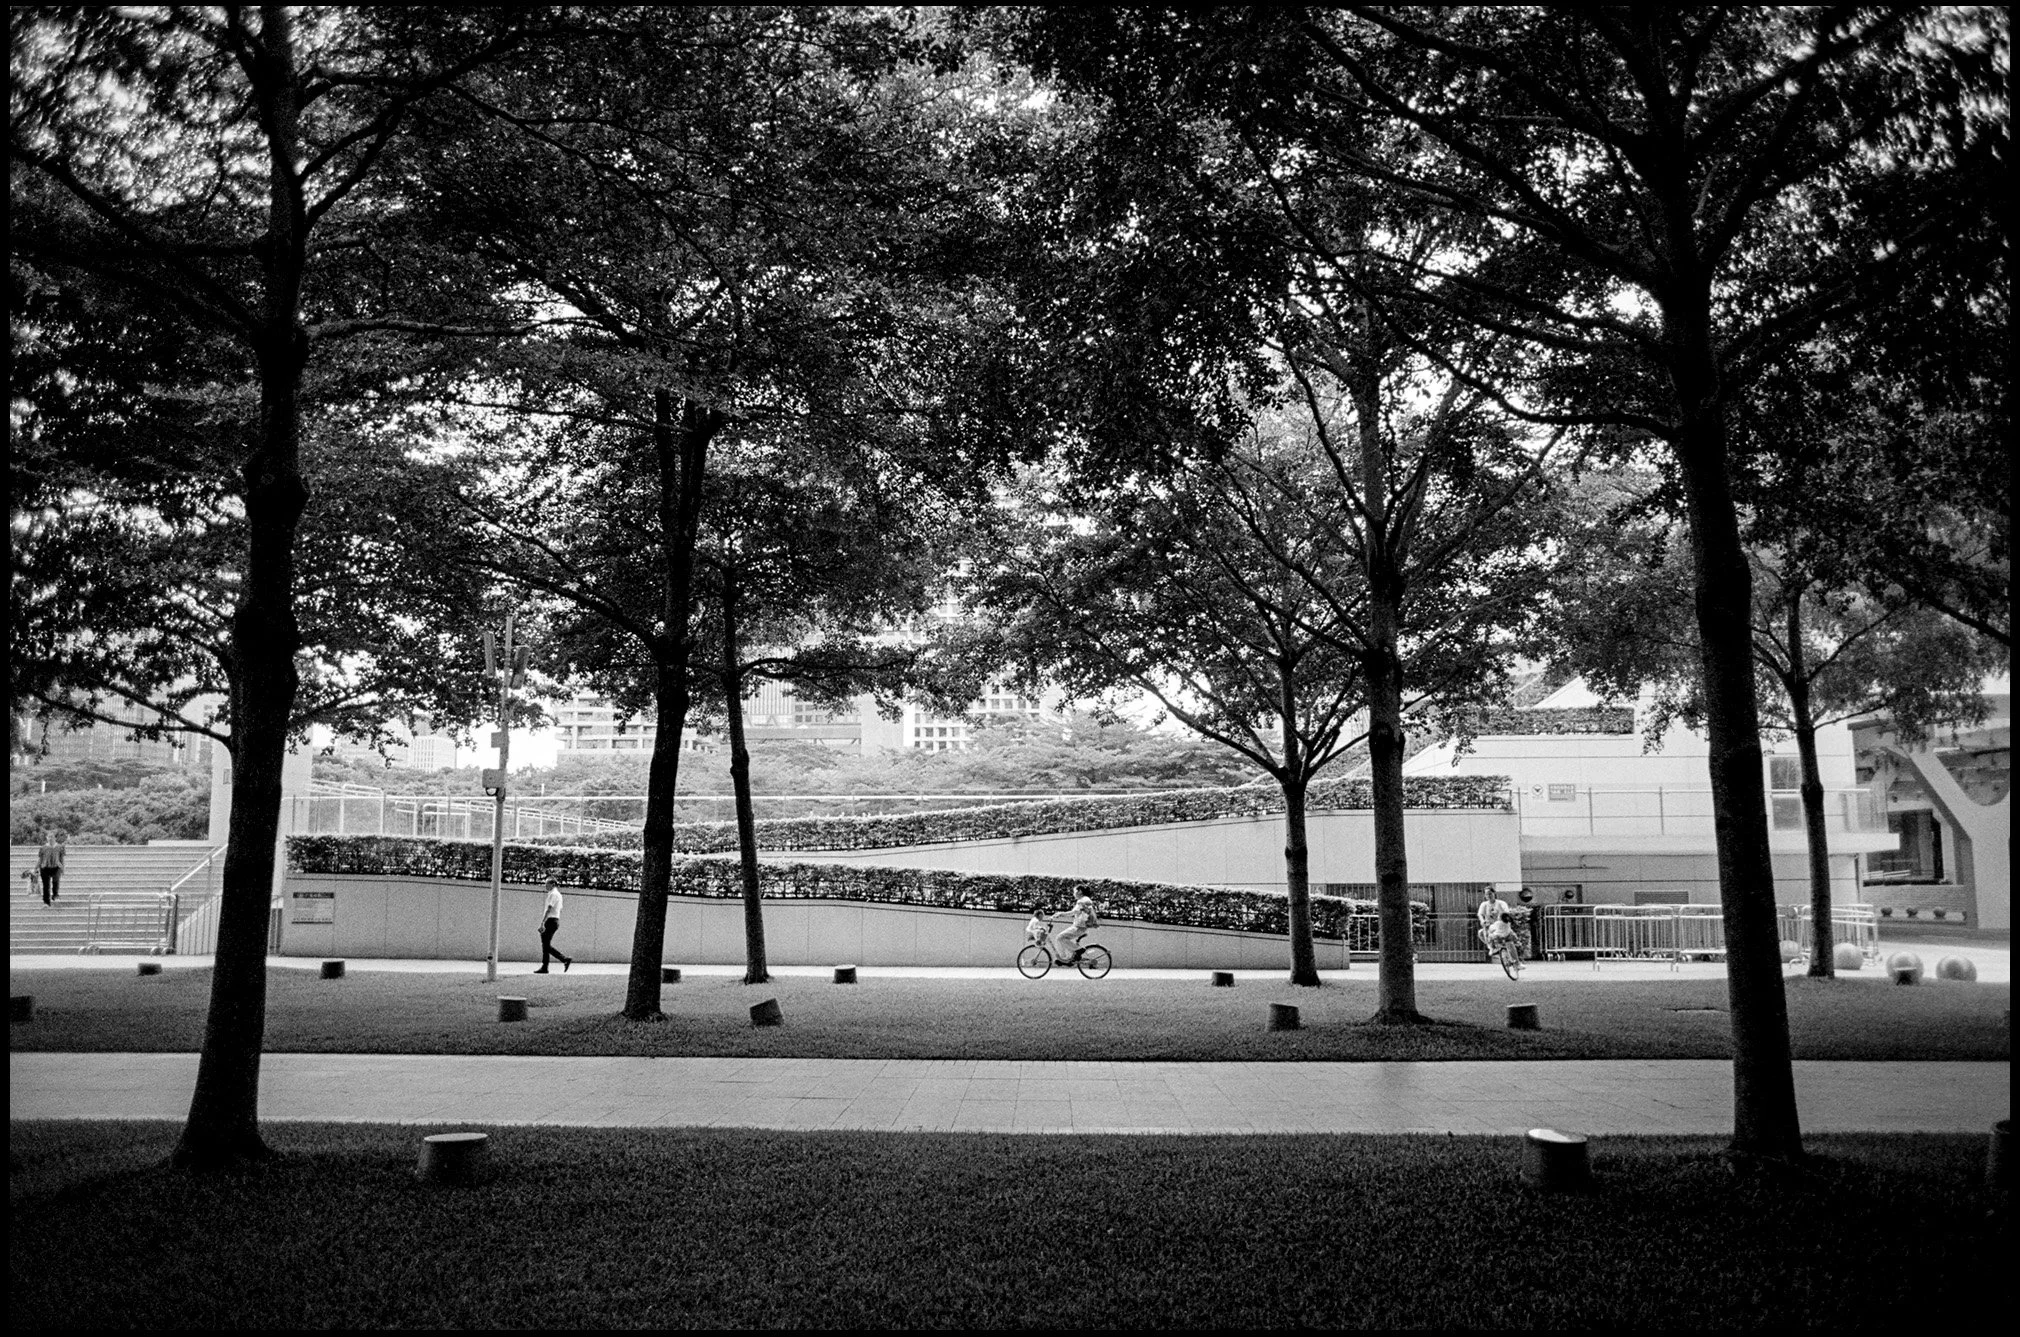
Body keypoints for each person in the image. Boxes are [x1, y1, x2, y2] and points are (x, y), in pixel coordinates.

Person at [1049, 889, 1100, 964]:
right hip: (1080, 927)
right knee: (1062, 939)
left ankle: (1069, 955)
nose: (1073, 893)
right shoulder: (1084, 900)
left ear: (1080, 891)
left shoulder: (1083, 900)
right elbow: (1077, 911)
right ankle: (1070, 957)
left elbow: (1074, 912)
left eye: (1074, 891)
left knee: (1059, 937)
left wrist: (1060, 914)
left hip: (1079, 927)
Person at [534, 878, 572, 973]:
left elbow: (549, 908)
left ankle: (564, 959)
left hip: (550, 920)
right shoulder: (558, 895)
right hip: (554, 920)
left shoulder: (553, 894)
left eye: (547, 884)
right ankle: (545, 967)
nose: (545, 886)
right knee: (546, 945)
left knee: (546, 945)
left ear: (553, 884)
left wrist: (543, 922)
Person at [1476, 886, 1513, 957]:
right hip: (1490, 925)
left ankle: (1514, 960)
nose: (1488, 896)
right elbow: (1480, 914)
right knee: (1481, 933)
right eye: (1487, 894)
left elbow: (1506, 911)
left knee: (1510, 940)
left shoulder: (1501, 903)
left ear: (1494, 894)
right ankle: (1491, 947)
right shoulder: (1484, 904)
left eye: (1490, 893)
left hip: (1500, 925)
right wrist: (1482, 920)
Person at [37, 829, 66, 906]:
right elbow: (40, 859)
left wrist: (63, 868)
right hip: (44, 867)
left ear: (55, 838)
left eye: (52, 837)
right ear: (46, 838)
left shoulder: (60, 847)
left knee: (56, 882)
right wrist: (35, 868)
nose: (50, 838)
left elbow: (62, 858)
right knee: (46, 885)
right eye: (49, 837)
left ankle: (55, 896)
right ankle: (46, 902)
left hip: (56, 867)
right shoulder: (43, 848)